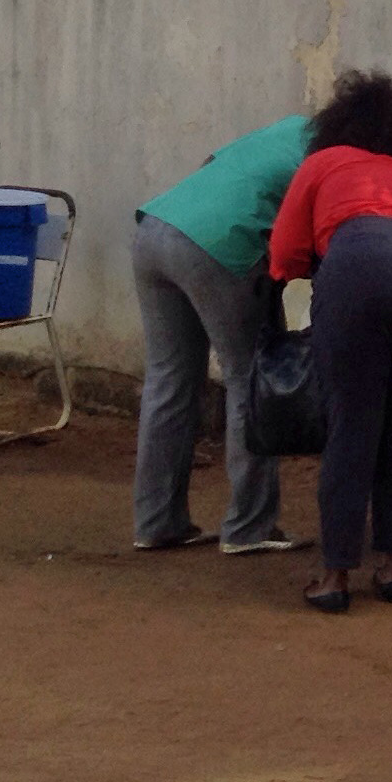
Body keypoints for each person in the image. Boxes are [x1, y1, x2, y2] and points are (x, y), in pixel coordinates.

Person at [268, 72, 392, 614]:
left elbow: (284, 254)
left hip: (359, 265)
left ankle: (334, 576)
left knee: (353, 425)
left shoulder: (323, 162)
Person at [130, 115, 313, 553]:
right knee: (250, 379)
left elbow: (212, 162)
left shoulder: (292, 128)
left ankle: (157, 522)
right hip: (220, 245)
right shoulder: (338, 158)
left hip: (156, 229)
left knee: (168, 379)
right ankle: (249, 527)